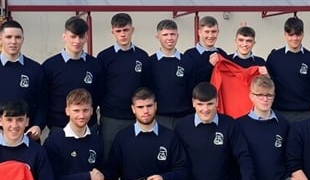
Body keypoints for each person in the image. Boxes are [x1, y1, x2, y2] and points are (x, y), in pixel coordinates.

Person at [0, 20, 44, 140]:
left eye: (17, 37)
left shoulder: (35, 69)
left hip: (28, 138)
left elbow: (43, 104)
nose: (13, 41)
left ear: (23, 39)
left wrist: (38, 125)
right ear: (0, 39)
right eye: (8, 37)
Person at [97, 13, 149, 154]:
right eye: (118, 31)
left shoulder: (142, 56)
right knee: (109, 155)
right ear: (112, 32)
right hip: (111, 118)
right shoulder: (104, 57)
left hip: (135, 118)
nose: (122, 34)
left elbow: (146, 86)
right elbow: (99, 87)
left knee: (135, 155)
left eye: (125, 30)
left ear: (132, 30)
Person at [41, 16, 104, 130]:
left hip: (89, 128)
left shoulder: (95, 65)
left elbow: (99, 95)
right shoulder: (49, 66)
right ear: (64, 37)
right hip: (59, 128)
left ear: (87, 37)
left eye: (81, 37)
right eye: (73, 36)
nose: (77, 41)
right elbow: (44, 99)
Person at [266, 16, 310, 123]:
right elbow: (268, 85)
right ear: (285, 34)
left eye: (298, 34)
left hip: (305, 114)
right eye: (291, 35)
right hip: (279, 113)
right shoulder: (274, 58)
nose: (294, 38)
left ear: (303, 34)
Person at [147, 19, 195, 128]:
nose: (169, 38)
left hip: (184, 117)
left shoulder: (187, 62)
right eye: (165, 35)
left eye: (172, 34)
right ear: (157, 37)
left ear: (177, 36)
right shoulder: (150, 62)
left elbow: (191, 90)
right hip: (158, 118)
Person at [184, 16, 226, 86]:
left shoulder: (222, 54)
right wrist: (210, 65)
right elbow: (189, 81)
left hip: (218, 96)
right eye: (207, 32)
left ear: (218, 32)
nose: (210, 35)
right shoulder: (189, 55)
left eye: (214, 31)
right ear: (199, 32)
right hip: (197, 96)